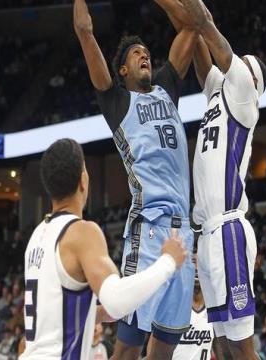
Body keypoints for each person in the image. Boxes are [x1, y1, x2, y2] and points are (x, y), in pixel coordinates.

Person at [147, 0, 266, 358]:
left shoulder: (243, 95)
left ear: (251, 79)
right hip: (208, 234)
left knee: (242, 347)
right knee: (220, 343)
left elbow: (205, 23)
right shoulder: (218, 92)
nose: (232, 63)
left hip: (229, 228)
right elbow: (191, 30)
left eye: (241, 62)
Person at [73, 0, 196, 360]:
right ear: (122, 70)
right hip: (149, 228)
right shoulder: (117, 101)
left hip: (184, 233)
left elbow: (192, 24)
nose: (144, 54)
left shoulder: (166, 87)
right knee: (127, 349)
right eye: (135, 53)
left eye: (146, 51)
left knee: (163, 353)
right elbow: (85, 33)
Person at [19, 139, 187, 359]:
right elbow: (116, 301)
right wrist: (168, 261)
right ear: (83, 180)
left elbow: (51, 315)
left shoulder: (38, 235)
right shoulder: (81, 232)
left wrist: (95, 313)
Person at [172, 255, 215, 360]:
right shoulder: (172, 307)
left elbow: (221, 350)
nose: (196, 268)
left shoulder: (214, 308)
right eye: (193, 262)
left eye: (200, 263)